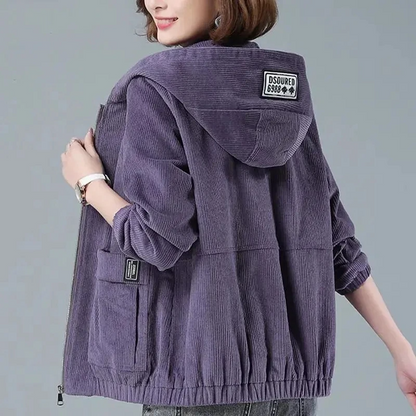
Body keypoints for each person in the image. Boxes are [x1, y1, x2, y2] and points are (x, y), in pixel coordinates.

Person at [59, 0, 416, 415]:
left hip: (195, 384)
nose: (156, 2)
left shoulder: (155, 87)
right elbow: (336, 243)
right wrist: (402, 351)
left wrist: (89, 183)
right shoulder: (285, 93)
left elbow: (157, 239)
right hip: (289, 394)